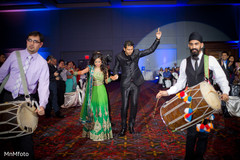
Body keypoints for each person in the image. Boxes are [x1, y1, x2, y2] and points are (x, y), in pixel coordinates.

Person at [156, 32, 230, 160]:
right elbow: (180, 84)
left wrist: (225, 92)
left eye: (196, 44)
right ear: (189, 45)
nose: (194, 46)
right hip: (190, 103)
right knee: (191, 134)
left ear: (201, 45)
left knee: (204, 134)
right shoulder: (185, 62)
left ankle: (199, 157)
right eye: (191, 44)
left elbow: (221, 78)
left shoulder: (210, 60)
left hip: (207, 104)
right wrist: (166, 92)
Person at [0, 31, 49, 159]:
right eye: (29, 40)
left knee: (25, 138)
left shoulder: (42, 63)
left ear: (41, 44)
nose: (31, 44)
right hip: (7, 97)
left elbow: (44, 85)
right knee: (7, 135)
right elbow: (1, 74)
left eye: (35, 41)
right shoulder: (14, 55)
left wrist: (42, 104)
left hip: (25, 101)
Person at [112, 28, 162, 136]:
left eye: (131, 49)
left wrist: (157, 39)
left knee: (134, 105)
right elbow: (115, 68)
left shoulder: (137, 53)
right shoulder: (119, 56)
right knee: (124, 106)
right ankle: (123, 127)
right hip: (125, 83)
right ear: (124, 48)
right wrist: (115, 74)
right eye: (128, 49)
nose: (130, 51)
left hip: (136, 83)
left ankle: (131, 126)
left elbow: (150, 50)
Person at [75, 52, 113, 141]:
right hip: (93, 92)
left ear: (102, 61)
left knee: (102, 110)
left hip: (102, 91)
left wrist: (112, 78)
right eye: (96, 62)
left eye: (99, 62)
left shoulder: (105, 69)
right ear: (93, 61)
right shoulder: (90, 68)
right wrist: (73, 72)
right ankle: (92, 131)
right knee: (93, 110)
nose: (97, 63)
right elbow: (81, 72)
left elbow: (106, 81)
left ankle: (103, 132)